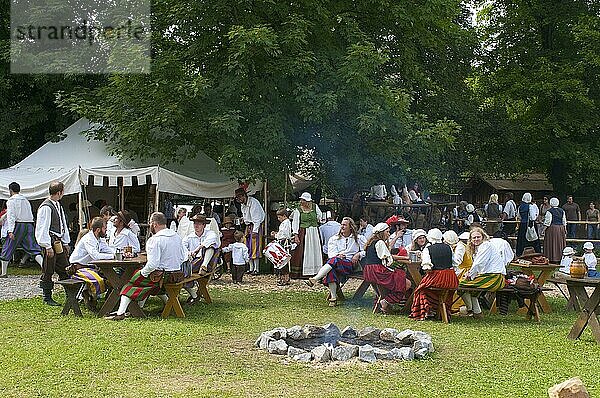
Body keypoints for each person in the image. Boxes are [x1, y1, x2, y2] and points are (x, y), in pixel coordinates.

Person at [108, 212, 186, 320]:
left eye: (150, 223)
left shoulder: (155, 240)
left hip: (161, 276)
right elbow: (183, 257)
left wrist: (142, 273)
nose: (150, 225)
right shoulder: (176, 237)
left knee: (128, 283)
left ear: (154, 224)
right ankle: (164, 303)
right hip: (175, 275)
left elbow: (153, 264)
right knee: (151, 284)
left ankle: (120, 313)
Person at [306, 217, 366, 307]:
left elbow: (367, 250)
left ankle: (316, 278)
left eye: (345, 225)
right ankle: (333, 298)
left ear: (351, 227)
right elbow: (331, 254)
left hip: (349, 265)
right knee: (332, 268)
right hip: (336, 263)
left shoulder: (358, 238)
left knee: (334, 261)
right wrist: (337, 255)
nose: (342, 226)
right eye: (341, 224)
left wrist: (358, 254)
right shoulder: (334, 239)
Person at [34, 181, 71, 306]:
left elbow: (63, 225)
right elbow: (42, 228)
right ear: (59, 192)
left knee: (64, 268)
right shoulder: (46, 207)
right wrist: (47, 246)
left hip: (58, 242)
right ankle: (47, 297)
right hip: (50, 242)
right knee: (48, 269)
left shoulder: (57, 205)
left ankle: (70, 295)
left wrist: (65, 242)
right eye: (62, 192)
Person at [410, 229, 459, 321]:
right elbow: (455, 263)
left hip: (439, 277)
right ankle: (437, 310)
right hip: (452, 278)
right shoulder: (448, 247)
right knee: (442, 292)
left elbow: (426, 266)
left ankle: (426, 311)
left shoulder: (428, 249)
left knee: (420, 289)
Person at [363, 223, 411, 314]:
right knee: (406, 282)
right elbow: (388, 260)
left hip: (369, 272)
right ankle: (386, 301)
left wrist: (404, 258)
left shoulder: (371, 242)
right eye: (387, 232)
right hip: (378, 271)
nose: (389, 234)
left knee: (398, 278)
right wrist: (404, 260)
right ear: (382, 232)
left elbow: (388, 256)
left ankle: (384, 301)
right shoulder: (380, 242)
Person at [458, 227, 506, 318]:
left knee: (461, 285)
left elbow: (479, 263)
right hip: (488, 275)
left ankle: (472, 311)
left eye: (478, 237)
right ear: (471, 240)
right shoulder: (478, 248)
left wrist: (470, 274)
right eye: (474, 238)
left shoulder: (485, 245)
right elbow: (479, 266)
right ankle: (476, 312)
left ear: (483, 237)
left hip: (495, 277)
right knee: (466, 287)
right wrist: (471, 274)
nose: (476, 239)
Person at [68, 217, 113, 311]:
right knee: (98, 280)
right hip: (78, 268)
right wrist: (113, 257)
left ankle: (99, 299)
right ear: (98, 230)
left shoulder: (100, 239)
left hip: (90, 267)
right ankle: (88, 296)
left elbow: (108, 250)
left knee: (111, 278)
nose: (106, 231)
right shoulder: (88, 239)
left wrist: (118, 254)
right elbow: (95, 255)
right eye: (105, 228)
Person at [0, 182, 44, 278]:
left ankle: (3, 273)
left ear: (10, 190)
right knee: (33, 247)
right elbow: (30, 214)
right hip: (28, 224)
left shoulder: (11, 201)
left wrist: (10, 230)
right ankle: (44, 269)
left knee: (8, 246)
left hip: (18, 225)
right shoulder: (25, 200)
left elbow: (11, 216)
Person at [182, 214, 220, 304]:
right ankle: (194, 296)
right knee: (181, 274)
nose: (196, 225)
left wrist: (197, 249)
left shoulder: (210, 233)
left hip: (207, 262)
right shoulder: (189, 236)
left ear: (204, 225)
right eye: (195, 223)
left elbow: (211, 240)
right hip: (193, 263)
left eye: (199, 223)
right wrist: (189, 252)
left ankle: (204, 266)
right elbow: (182, 246)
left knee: (210, 247)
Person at [290, 192, 323, 278]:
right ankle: (303, 272)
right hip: (303, 232)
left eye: (303, 200)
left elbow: (320, 217)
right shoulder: (298, 210)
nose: (301, 201)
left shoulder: (315, 207)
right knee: (303, 251)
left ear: (308, 201)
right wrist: (296, 234)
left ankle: (316, 271)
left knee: (315, 250)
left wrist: (319, 220)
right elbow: (295, 223)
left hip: (314, 233)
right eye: (301, 200)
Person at [235, 188, 265, 275]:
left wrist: (255, 231)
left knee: (255, 246)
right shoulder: (243, 205)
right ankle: (251, 268)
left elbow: (257, 219)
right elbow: (246, 217)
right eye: (237, 198)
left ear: (244, 196)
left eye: (239, 197)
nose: (238, 200)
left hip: (256, 226)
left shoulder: (253, 203)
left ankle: (256, 269)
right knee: (247, 245)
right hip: (248, 226)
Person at [270, 208, 292, 285]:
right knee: (281, 261)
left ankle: (286, 278)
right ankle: (283, 278)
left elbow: (284, 234)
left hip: (284, 243)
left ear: (284, 216)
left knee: (284, 261)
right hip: (282, 242)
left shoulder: (286, 223)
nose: (278, 219)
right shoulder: (284, 223)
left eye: (279, 217)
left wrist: (276, 235)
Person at [543, 197, 567, 263]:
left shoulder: (549, 211)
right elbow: (564, 221)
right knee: (559, 243)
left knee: (552, 242)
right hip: (560, 228)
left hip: (552, 229)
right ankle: (559, 258)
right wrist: (565, 229)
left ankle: (552, 258)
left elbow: (548, 222)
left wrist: (543, 230)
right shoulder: (562, 211)